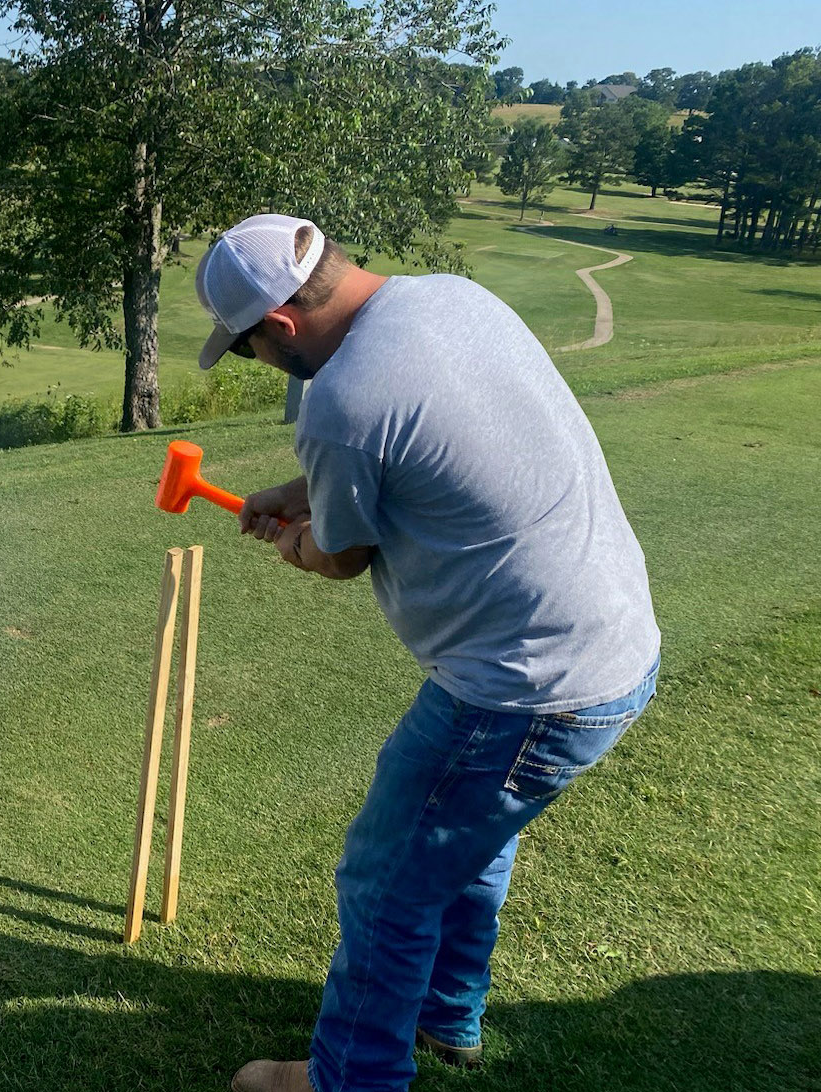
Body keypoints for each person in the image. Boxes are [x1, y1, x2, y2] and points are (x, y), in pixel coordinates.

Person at [194, 214, 660, 1092]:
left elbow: (338, 555)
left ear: (282, 325)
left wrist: (298, 540)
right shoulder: (452, 298)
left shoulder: (339, 404)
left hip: (526, 688)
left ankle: (352, 1080)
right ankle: (450, 1019)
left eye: (247, 345)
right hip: (617, 645)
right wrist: (305, 491)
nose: (253, 360)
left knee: (386, 881)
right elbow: (420, 446)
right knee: (469, 845)